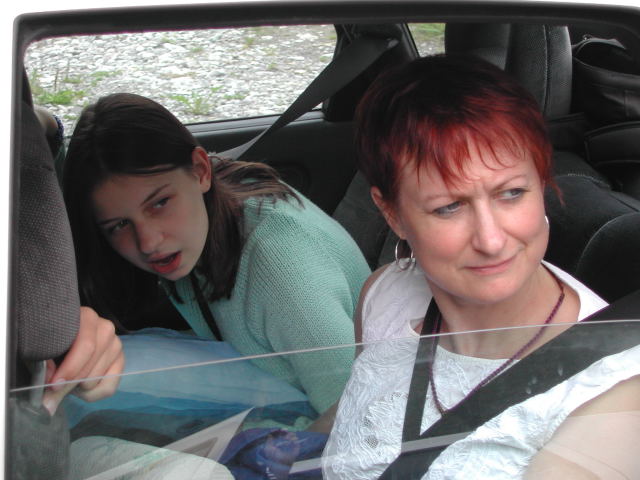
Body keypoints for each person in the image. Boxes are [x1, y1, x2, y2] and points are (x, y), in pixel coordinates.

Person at [322, 54, 640, 478]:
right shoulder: (384, 295)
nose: (491, 241)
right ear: (392, 214)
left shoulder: (610, 392)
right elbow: (360, 416)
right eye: (449, 207)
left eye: (511, 193)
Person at [62, 93, 370, 417]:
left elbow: (357, 413)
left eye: (160, 203)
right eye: (119, 225)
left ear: (201, 170)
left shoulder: (282, 273)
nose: (148, 242)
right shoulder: (205, 207)